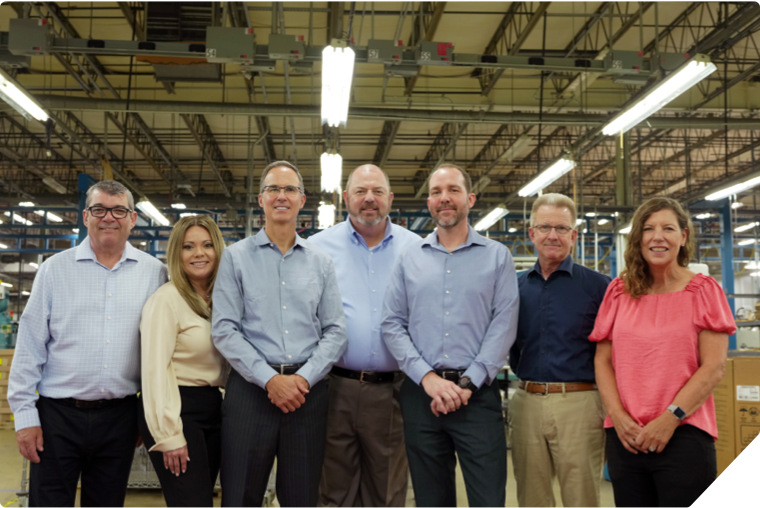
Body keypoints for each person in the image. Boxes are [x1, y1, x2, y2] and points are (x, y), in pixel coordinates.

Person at [7, 180, 167, 508]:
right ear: (85, 216)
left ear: (133, 218)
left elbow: (161, 351)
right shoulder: (54, 270)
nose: (109, 217)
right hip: (56, 418)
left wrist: (144, 415)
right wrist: (25, 418)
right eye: (99, 210)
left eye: (119, 210)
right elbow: (29, 346)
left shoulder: (155, 274)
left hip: (119, 418)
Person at [212, 160, 348, 508]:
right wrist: (271, 380)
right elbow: (225, 329)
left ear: (302, 200)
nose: (282, 196)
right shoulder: (235, 258)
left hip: (307, 396)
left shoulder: (321, 262)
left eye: (290, 189)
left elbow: (335, 331)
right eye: (274, 189)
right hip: (250, 394)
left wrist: (302, 379)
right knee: (240, 495)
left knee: (301, 498)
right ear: (261, 199)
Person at [382, 164, 519, 508]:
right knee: (431, 499)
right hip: (420, 397)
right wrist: (427, 379)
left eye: (453, 190)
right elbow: (392, 324)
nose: (444, 198)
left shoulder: (497, 257)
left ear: (470, 199)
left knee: (488, 499)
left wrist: (468, 383)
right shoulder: (408, 258)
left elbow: (503, 324)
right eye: (436, 192)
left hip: (477, 397)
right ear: (429, 202)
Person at [590, 197, 735, 508]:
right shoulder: (618, 291)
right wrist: (617, 416)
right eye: (648, 229)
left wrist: (670, 418)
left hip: (683, 434)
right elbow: (602, 361)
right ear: (638, 238)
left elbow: (713, 367)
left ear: (683, 237)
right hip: (625, 436)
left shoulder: (704, 291)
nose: (658, 236)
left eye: (668, 228)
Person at [310, 164, 421, 508]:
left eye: (376, 192)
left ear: (390, 198)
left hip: (394, 390)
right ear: (346, 198)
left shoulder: (417, 249)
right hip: (333, 388)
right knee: (332, 490)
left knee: (385, 491)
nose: (368, 199)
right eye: (360, 192)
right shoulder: (316, 248)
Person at [509, 193, 611, 508]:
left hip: (580, 404)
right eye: (545, 227)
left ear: (574, 235)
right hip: (526, 402)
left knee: (580, 497)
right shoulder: (513, 286)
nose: (552, 235)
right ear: (532, 233)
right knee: (532, 497)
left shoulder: (600, 287)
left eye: (561, 228)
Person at [138, 215, 227, 508]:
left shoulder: (222, 300)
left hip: (214, 407)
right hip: (178, 408)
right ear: (177, 253)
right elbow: (154, 371)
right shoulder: (166, 300)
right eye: (188, 247)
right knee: (192, 503)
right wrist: (169, 433)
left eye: (206, 245)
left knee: (202, 500)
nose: (199, 253)